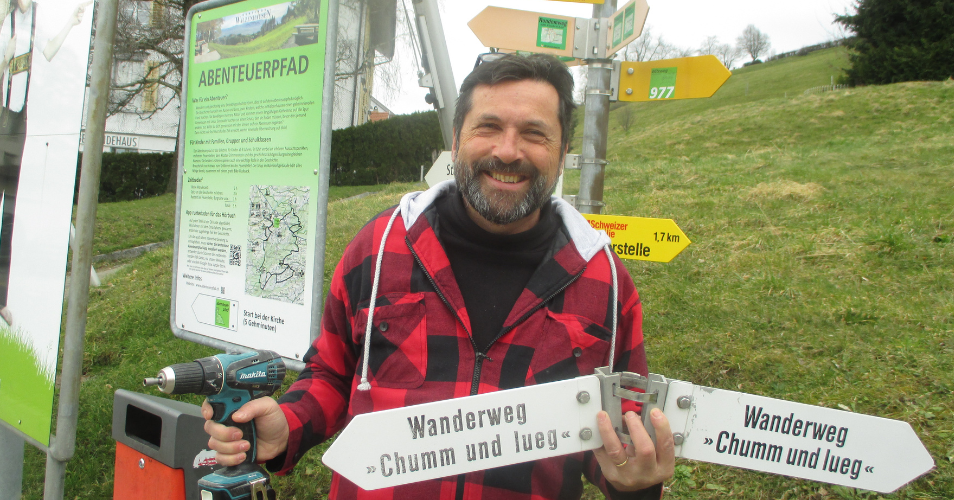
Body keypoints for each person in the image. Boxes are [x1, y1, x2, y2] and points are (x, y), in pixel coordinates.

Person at [203, 53, 675, 499]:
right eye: (488, 127)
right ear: (455, 139)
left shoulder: (606, 284)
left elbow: (615, 425)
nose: (507, 152)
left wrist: (633, 480)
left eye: (534, 133)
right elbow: (333, 372)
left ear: (564, 149)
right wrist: (289, 423)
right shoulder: (380, 247)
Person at [0, 0, 88, 330]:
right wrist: (8, 53)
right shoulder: (7, 25)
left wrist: (71, 21)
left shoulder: (35, 22)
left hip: (22, 124)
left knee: (9, 217)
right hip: (4, 123)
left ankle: (1, 301)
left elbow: (51, 51)